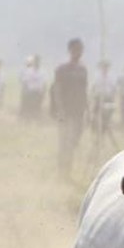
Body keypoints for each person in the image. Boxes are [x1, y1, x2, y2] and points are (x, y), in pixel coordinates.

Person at [49, 38, 88, 175]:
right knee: (65, 141)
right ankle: (63, 171)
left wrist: (87, 109)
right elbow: (57, 90)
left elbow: (84, 90)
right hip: (65, 111)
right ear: (70, 50)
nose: (79, 52)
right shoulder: (62, 69)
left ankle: (67, 168)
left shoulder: (83, 69)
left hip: (78, 111)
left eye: (80, 49)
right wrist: (60, 110)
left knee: (74, 141)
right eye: (76, 49)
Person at [19, 55, 47, 121]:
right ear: (33, 62)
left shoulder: (43, 72)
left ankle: (36, 122)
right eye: (35, 61)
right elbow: (24, 83)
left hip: (38, 94)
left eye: (38, 61)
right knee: (29, 109)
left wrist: (43, 93)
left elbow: (44, 84)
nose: (37, 62)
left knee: (37, 109)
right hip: (30, 93)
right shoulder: (28, 71)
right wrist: (24, 94)